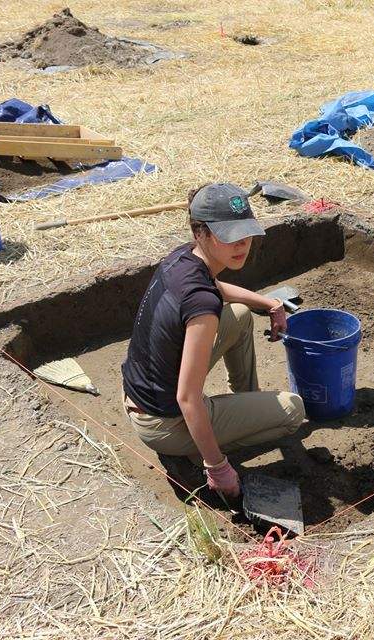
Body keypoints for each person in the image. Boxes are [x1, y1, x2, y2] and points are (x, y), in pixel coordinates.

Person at [121, 183, 305, 501]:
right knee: (293, 410)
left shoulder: (183, 257)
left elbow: (215, 287)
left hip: (141, 393)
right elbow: (187, 398)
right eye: (228, 235)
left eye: (245, 232)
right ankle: (196, 452)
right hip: (164, 422)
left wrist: (269, 303)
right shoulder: (202, 307)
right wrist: (217, 467)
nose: (242, 243)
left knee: (240, 314)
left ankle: (243, 406)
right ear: (200, 233)